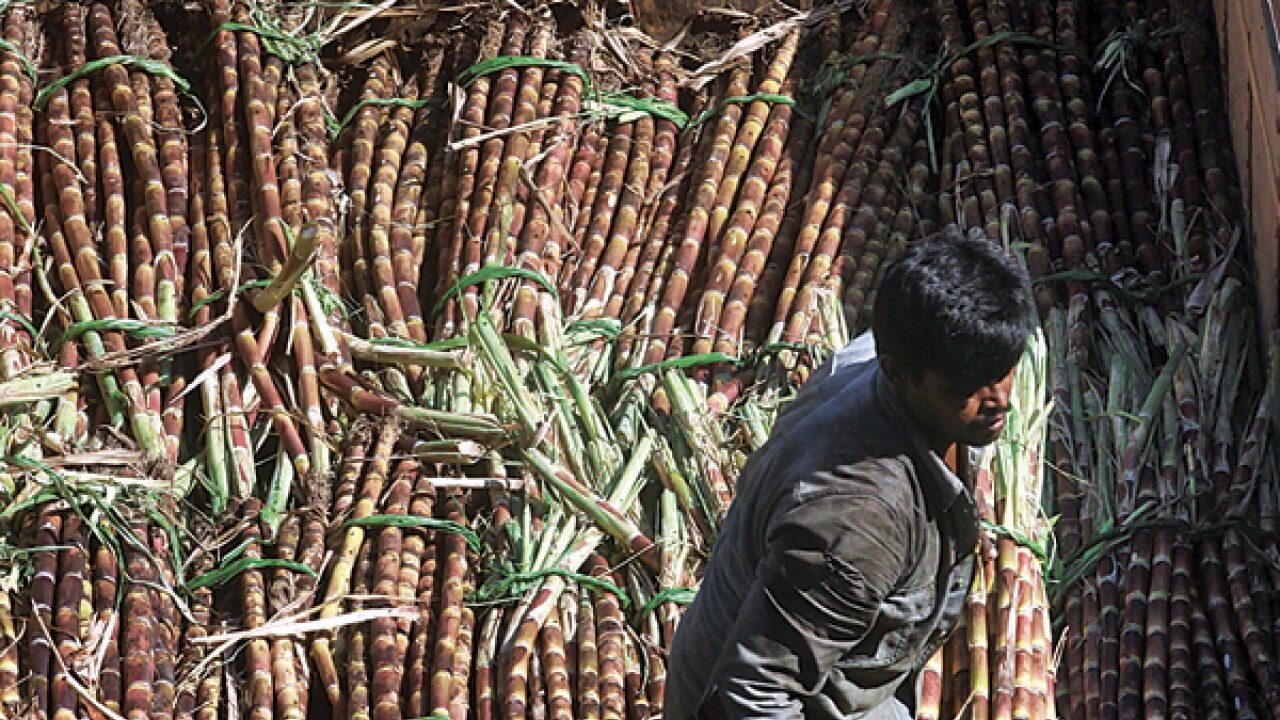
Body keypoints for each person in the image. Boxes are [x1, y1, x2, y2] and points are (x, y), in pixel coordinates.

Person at [663, 233, 1035, 719]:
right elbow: (751, 700)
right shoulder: (859, 520)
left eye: (1004, 369)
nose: (999, 398)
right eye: (966, 387)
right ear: (900, 373)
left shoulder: (876, 357)